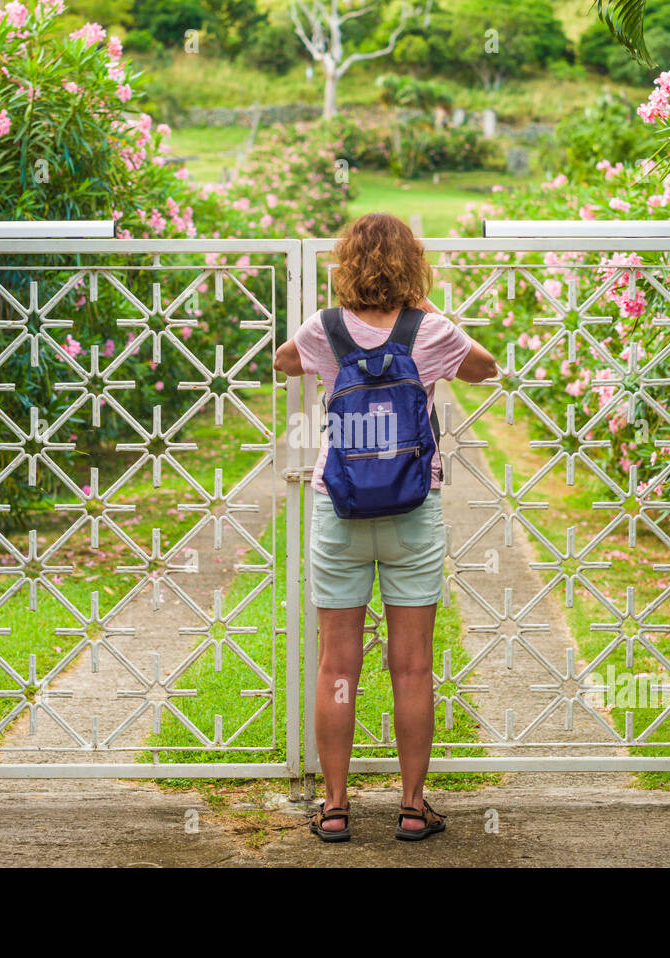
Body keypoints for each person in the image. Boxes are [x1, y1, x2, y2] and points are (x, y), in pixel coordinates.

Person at [273, 212, 498, 842]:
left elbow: (283, 363)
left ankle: (338, 806)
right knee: (412, 667)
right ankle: (410, 806)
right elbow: (486, 368)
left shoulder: (323, 330)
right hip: (411, 512)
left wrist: (332, 329)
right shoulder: (429, 330)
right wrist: (424, 306)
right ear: (411, 266)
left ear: (347, 262)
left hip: (339, 511)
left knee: (337, 667)